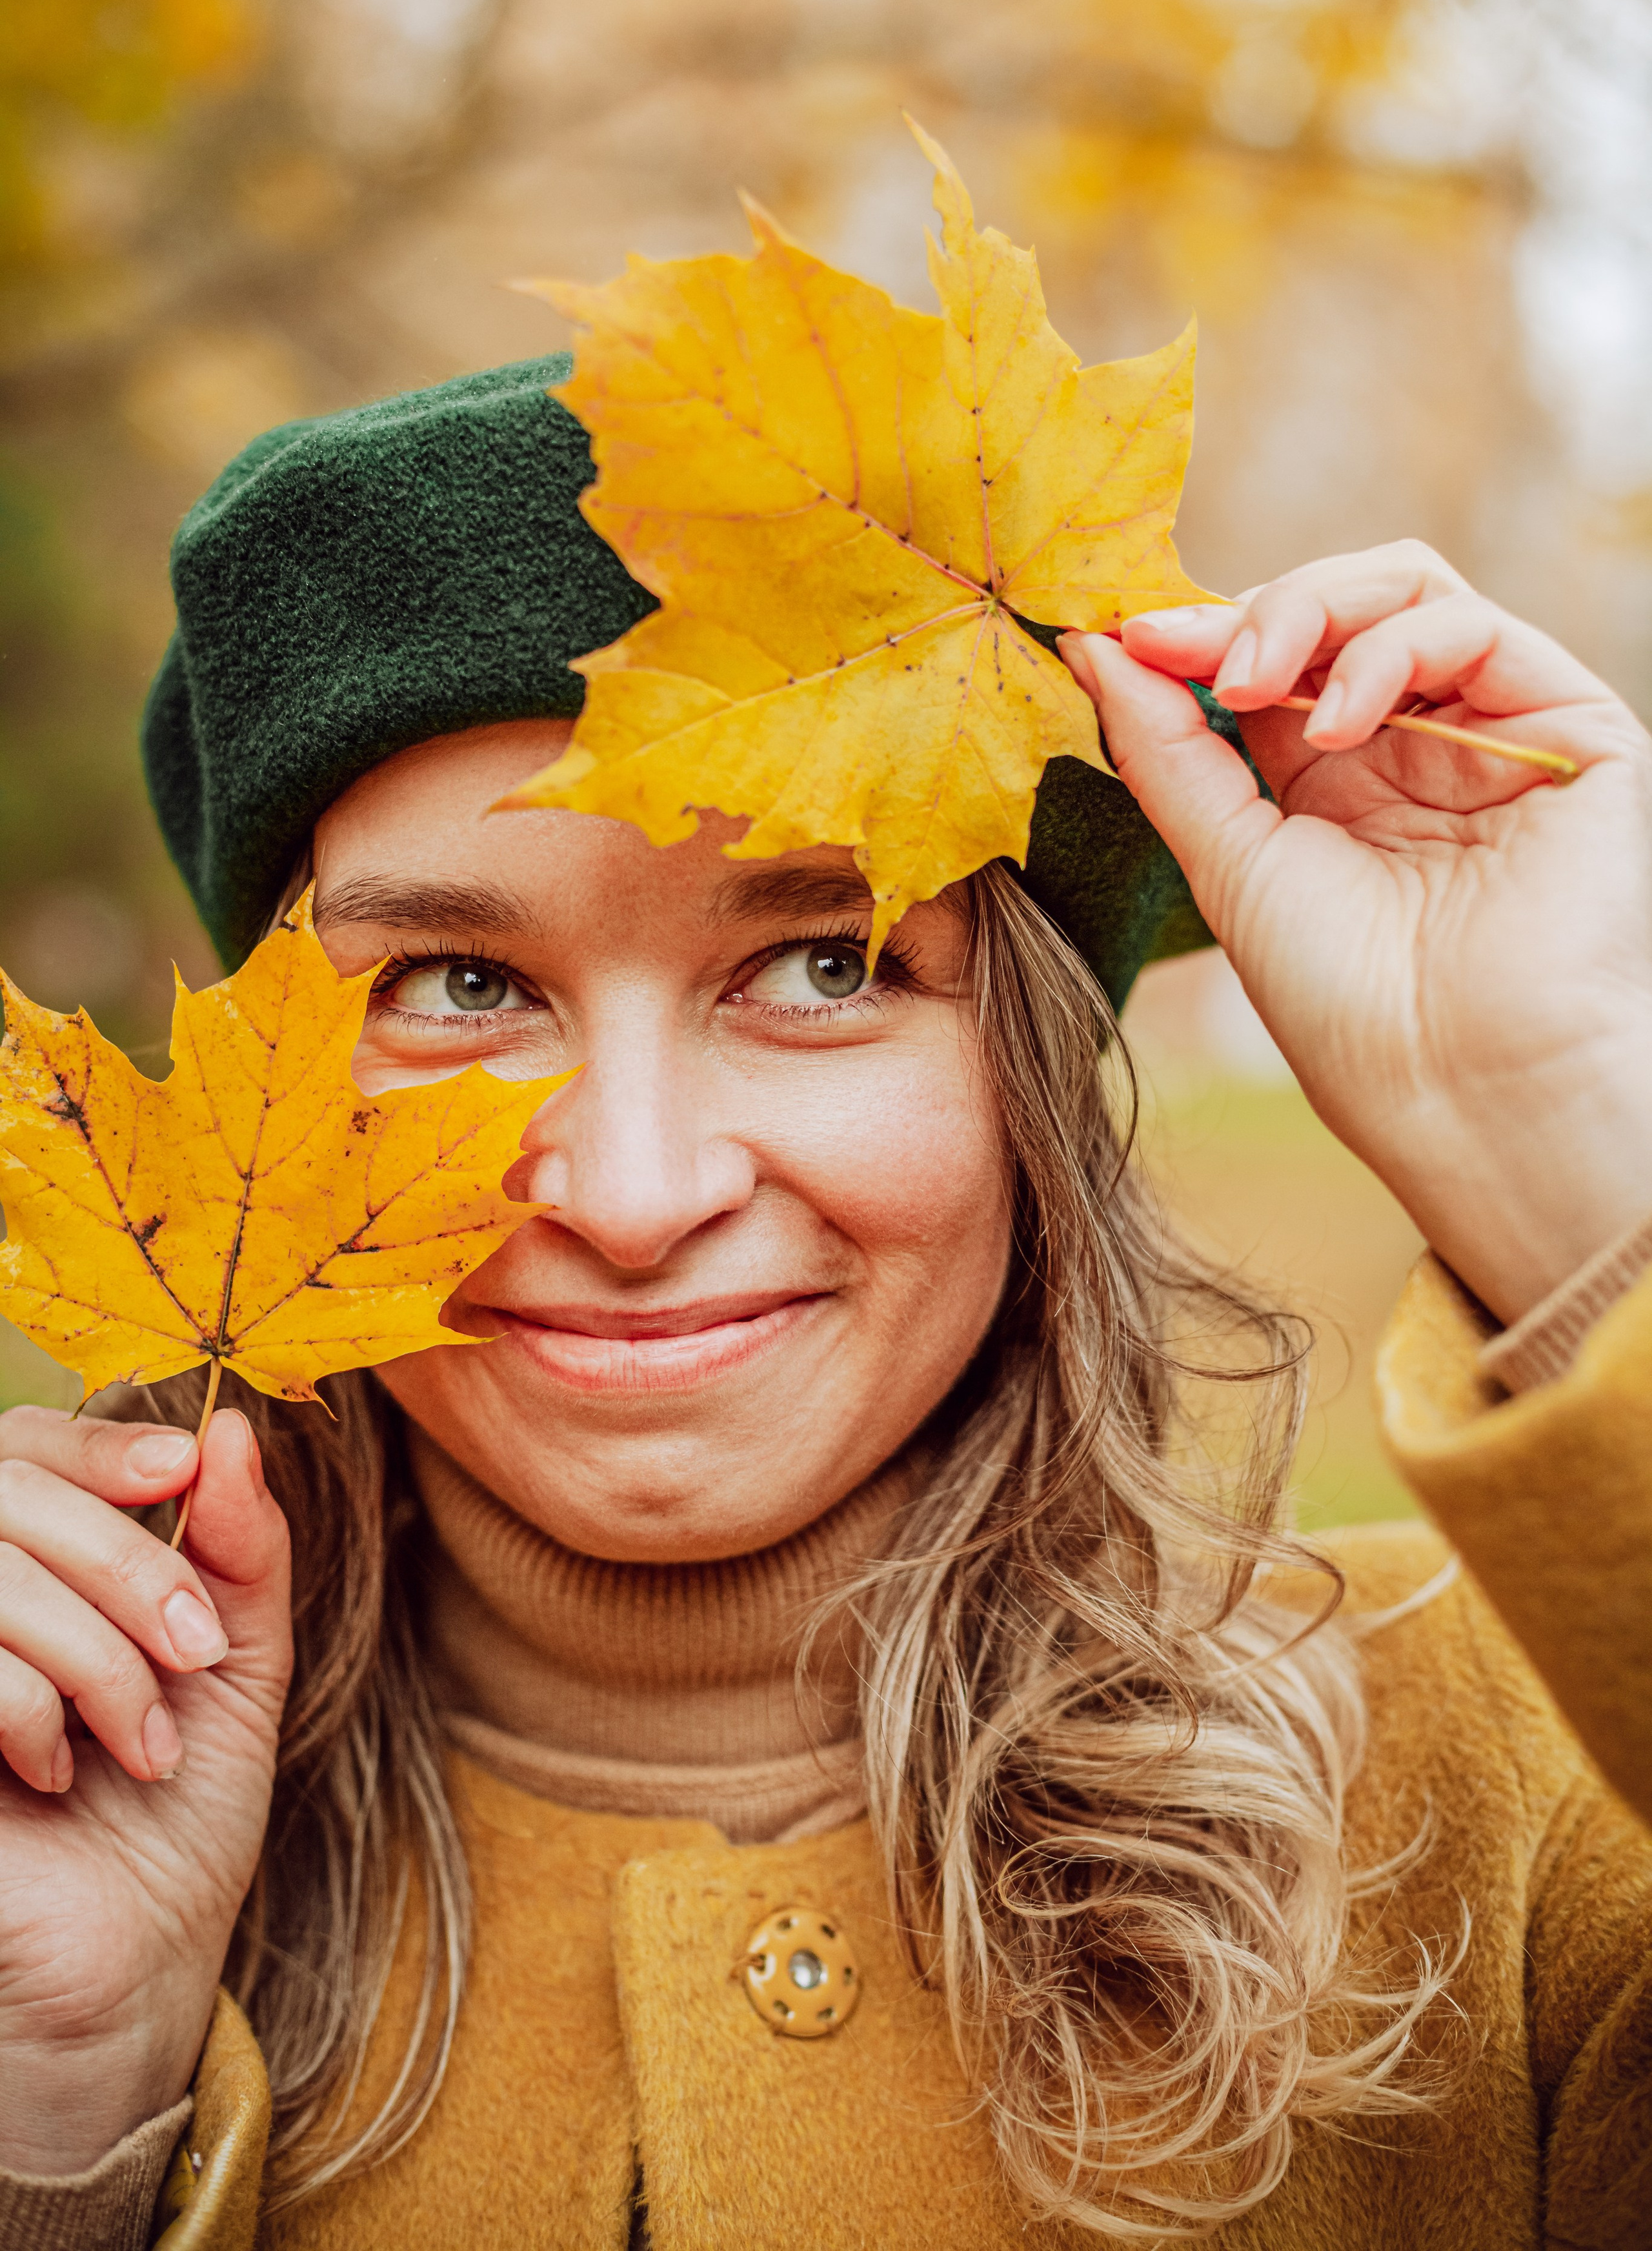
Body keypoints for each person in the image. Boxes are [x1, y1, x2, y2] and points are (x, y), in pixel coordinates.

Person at [0, 356, 1646, 2251]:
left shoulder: (1544, 1784)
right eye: (460, 989)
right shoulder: (68, 1841)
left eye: (824, 963)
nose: (635, 1197)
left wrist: (1568, 1153)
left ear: (1031, 1076)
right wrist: (53, 2114)